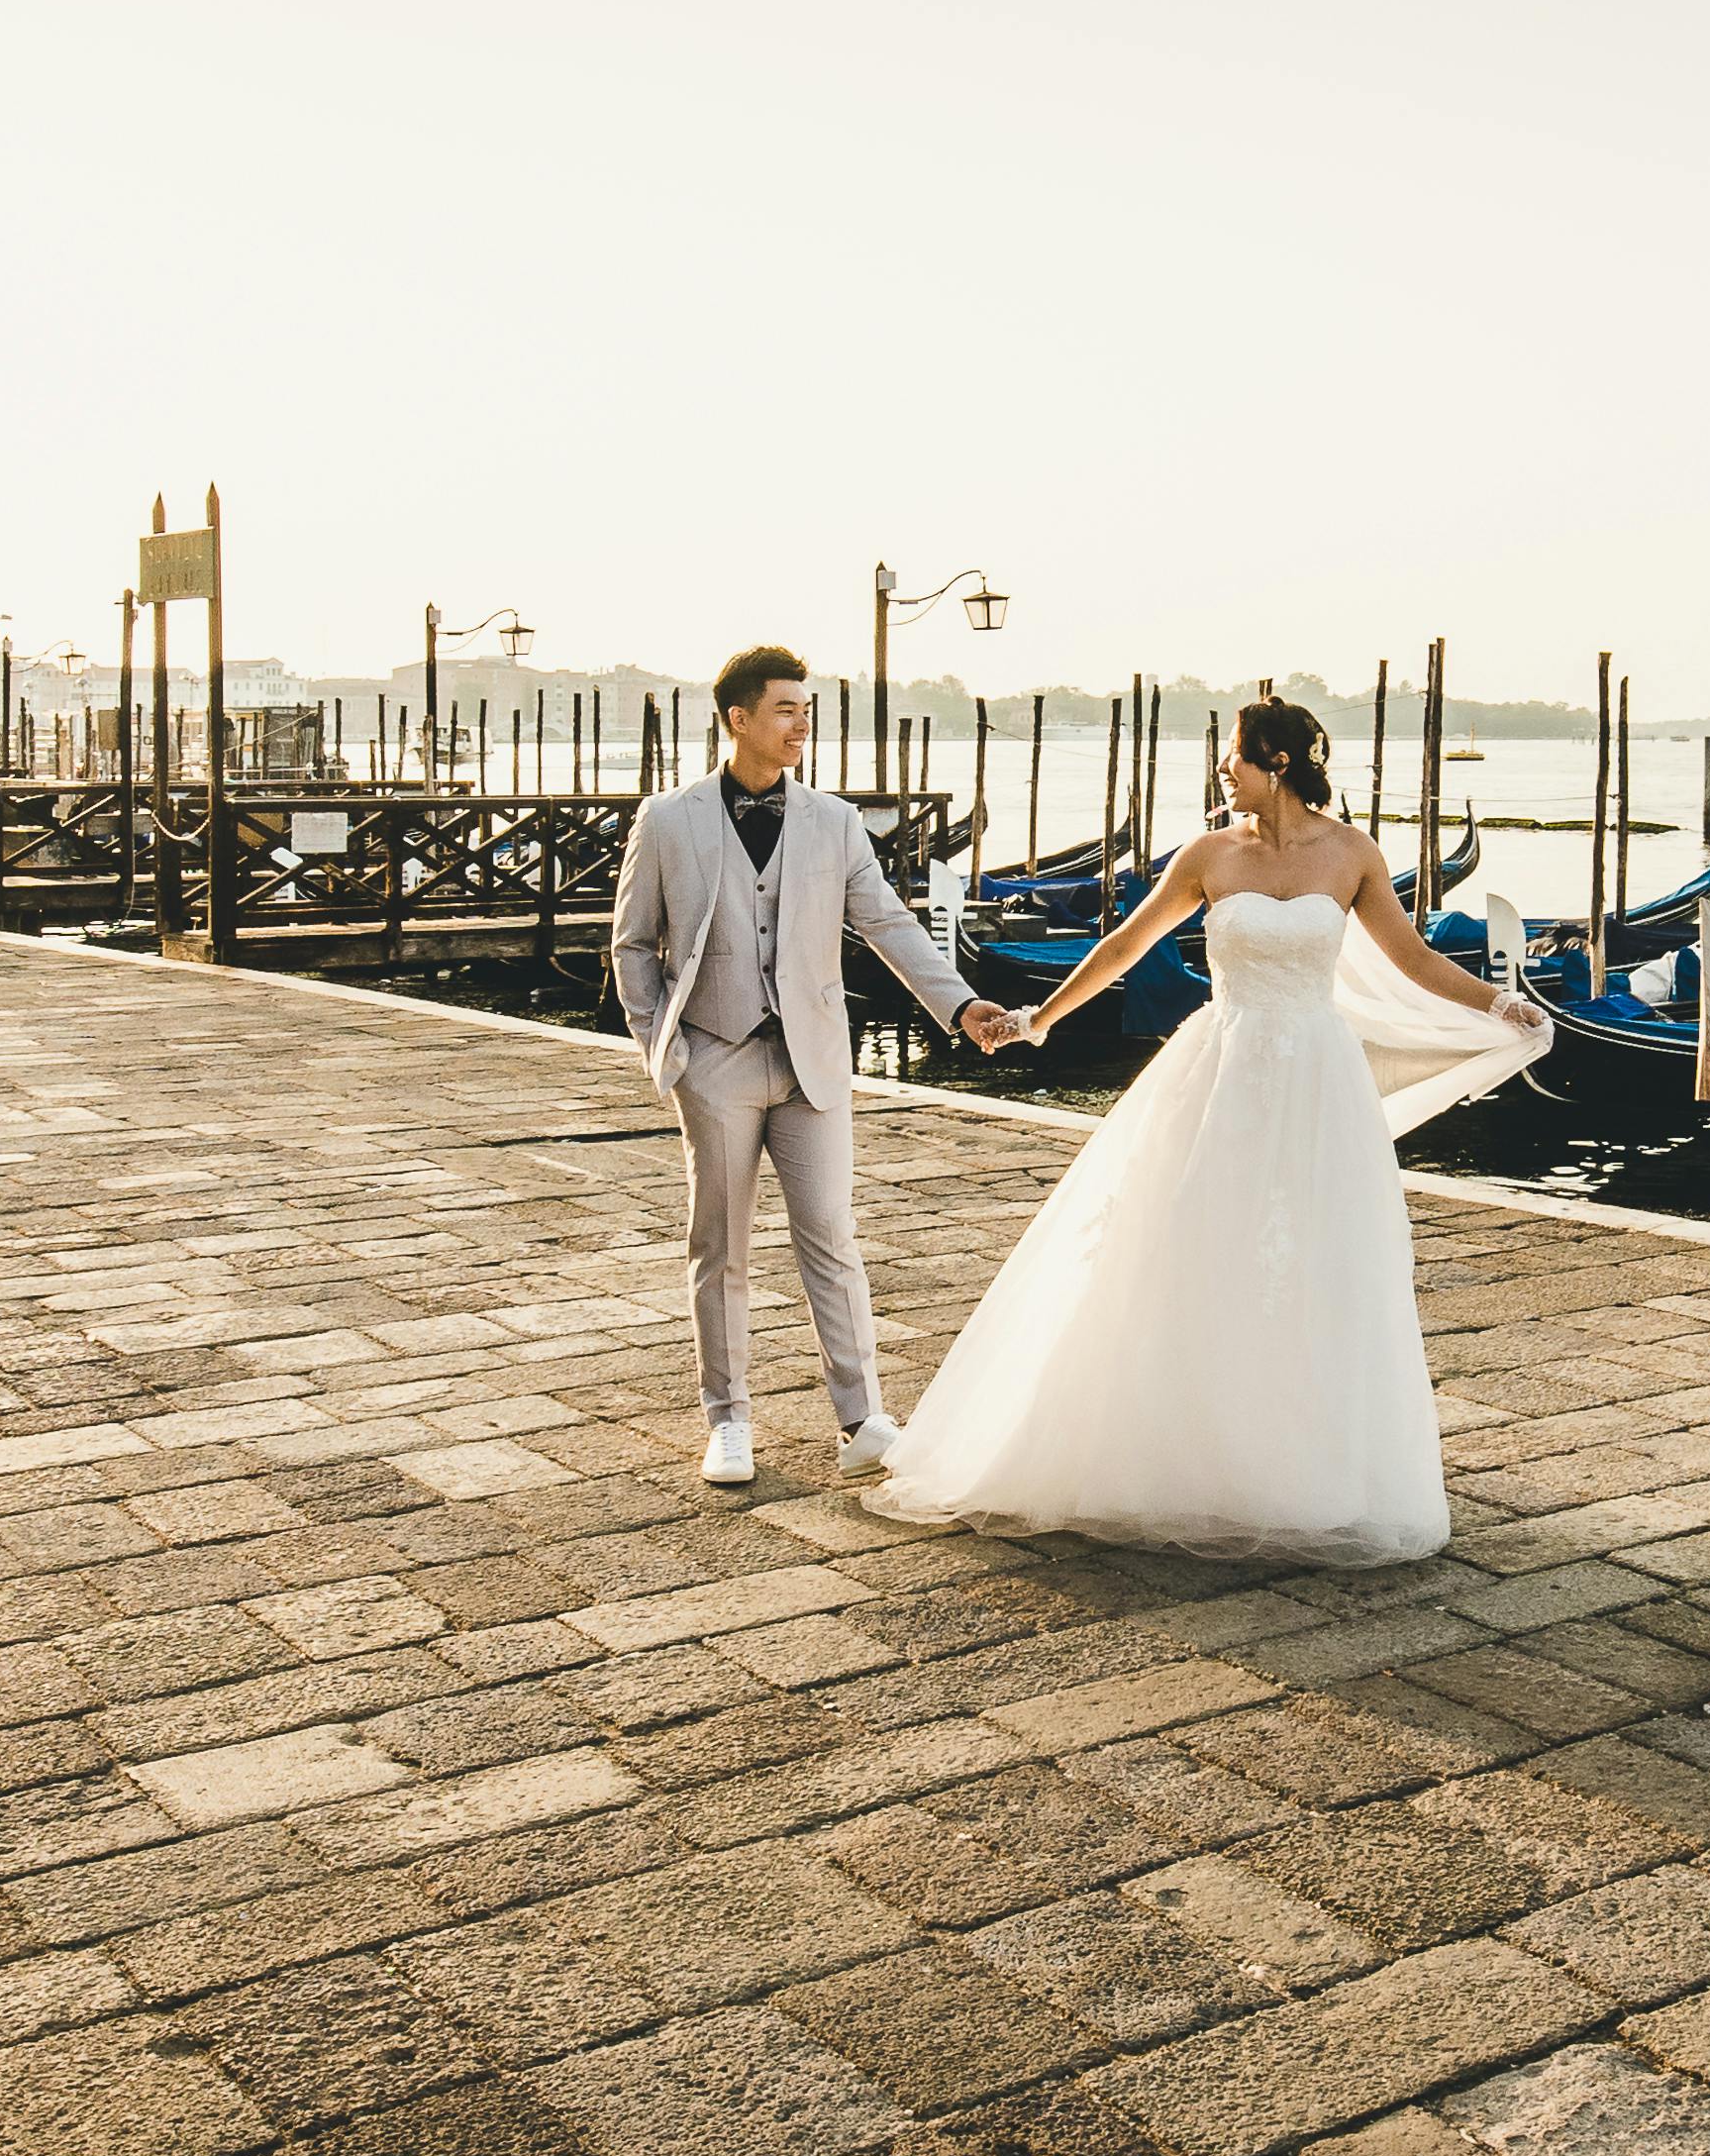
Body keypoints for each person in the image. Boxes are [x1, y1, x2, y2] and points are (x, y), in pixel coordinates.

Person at [866, 692, 1543, 1559]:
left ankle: (1302, 1459)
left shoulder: (1353, 855)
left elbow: (1409, 958)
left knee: (1316, 1259)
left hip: (1316, 1083)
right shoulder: (1209, 854)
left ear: (1279, 764)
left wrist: (1499, 1001)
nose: (1226, 770)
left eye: (1235, 756)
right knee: (1191, 1245)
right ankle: (1180, 1450)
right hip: (1221, 1069)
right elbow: (1123, 947)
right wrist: (1041, 1019)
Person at [612, 646, 1020, 1489]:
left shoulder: (833, 822)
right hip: (714, 1059)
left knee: (831, 1237)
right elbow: (631, 945)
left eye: (807, 710)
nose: (802, 724)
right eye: (788, 710)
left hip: (814, 1065)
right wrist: (669, 1050)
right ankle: (728, 1421)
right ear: (739, 718)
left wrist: (960, 1003)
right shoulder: (668, 819)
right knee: (718, 1248)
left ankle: (862, 1417)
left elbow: (891, 924)